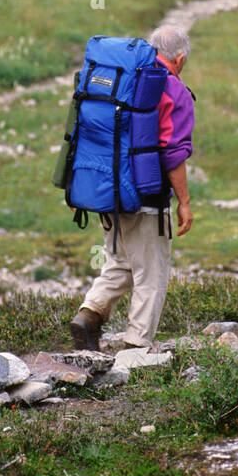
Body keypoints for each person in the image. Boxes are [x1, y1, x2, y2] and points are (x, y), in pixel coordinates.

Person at [69, 25, 194, 351]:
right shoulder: (172, 89)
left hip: (108, 189)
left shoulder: (121, 79)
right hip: (146, 197)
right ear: (179, 59)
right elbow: (173, 152)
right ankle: (136, 347)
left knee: (121, 263)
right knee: (152, 275)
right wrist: (184, 201)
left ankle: (88, 316)